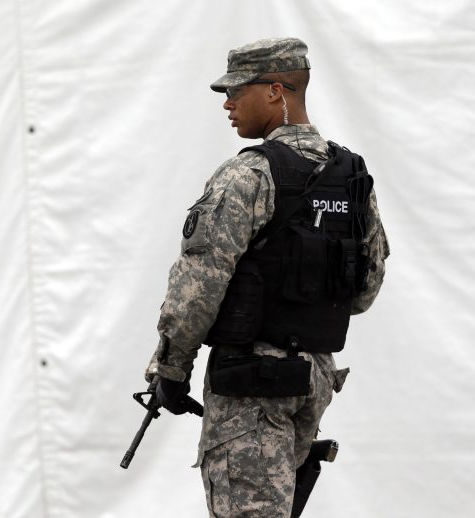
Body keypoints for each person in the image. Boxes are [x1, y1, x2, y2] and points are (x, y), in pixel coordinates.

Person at [144, 37, 389, 517]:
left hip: (250, 386)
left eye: (238, 91)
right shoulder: (351, 175)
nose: (228, 104)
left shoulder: (249, 177)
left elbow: (198, 287)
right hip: (312, 380)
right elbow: (365, 289)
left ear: (277, 91)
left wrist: (170, 369)